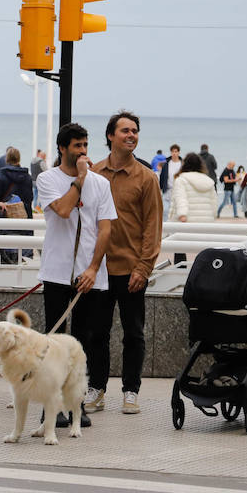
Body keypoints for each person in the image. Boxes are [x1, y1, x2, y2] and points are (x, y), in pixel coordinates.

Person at [36, 123, 116, 429]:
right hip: (57, 273)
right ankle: (50, 406)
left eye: (85, 145)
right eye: (77, 146)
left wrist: (94, 268)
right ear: (63, 148)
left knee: (82, 343)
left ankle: (76, 405)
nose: (83, 151)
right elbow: (64, 210)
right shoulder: (48, 179)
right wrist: (80, 181)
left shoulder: (101, 184)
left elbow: (105, 227)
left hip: (89, 275)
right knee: (54, 341)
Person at [90, 110, 163, 416]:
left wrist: (143, 268)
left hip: (131, 270)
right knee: (96, 333)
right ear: (111, 136)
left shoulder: (146, 178)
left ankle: (130, 391)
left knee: (134, 334)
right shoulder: (93, 174)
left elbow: (152, 227)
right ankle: (96, 389)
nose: (131, 135)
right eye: (125, 131)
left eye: (135, 131)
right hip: (98, 270)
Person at [0, 146, 35, 264]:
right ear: (19, 159)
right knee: (20, 245)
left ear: (7, 159)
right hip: (22, 216)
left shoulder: (1, 175)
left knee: (5, 244)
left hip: (5, 215)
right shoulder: (27, 177)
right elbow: (29, 198)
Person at [170, 152, 217, 223]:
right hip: (206, 222)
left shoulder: (181, 180)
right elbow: (214, 202)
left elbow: (181, 198)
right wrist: (213, 216)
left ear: (184, 164)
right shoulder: (209, 181)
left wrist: (182, 215)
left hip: (186, 223)